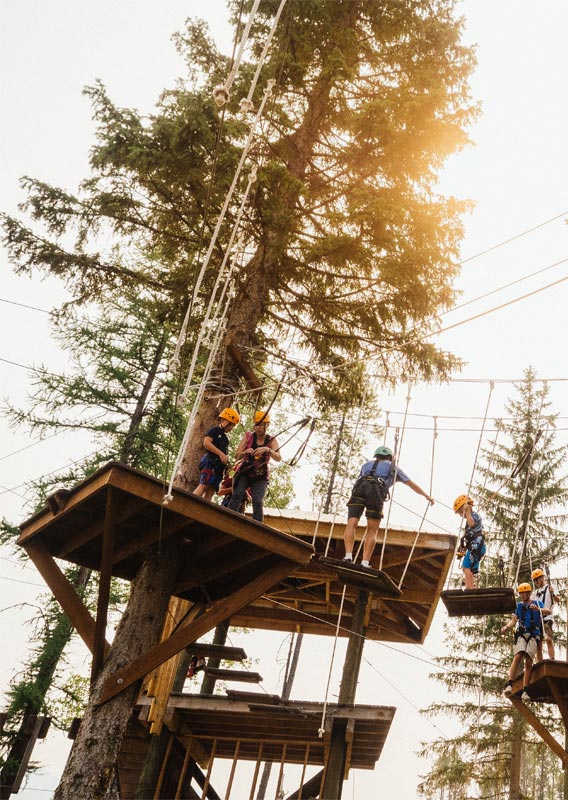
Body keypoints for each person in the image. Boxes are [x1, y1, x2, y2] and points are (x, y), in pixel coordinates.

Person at [342, 445, 434, 569]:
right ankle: (364, 562)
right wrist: (426, 496)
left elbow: (360, 478)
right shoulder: (392, 467)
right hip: (375, 490)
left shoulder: (366, 465)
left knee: (351, 523)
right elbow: (411, 484)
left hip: (359, 487)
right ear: (390, 458)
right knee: (372, 529)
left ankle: (348, 556)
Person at [227, 411, 281, 522]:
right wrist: (245, 452)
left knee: (258, 501)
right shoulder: (248, 437)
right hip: (245, 471)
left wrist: (268, 450)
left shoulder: (271, 440)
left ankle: (257, 526)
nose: (258, 427)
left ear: (267, 425)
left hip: (261, 474)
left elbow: (279, 458)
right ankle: (229, 519)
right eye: (256, 424)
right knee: (237, 494)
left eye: (261, 425)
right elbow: (236, 456)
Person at [501, 582, 550, 701]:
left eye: (524, 593)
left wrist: (538, 609)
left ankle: (525, 690)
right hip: (522, 634)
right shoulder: (518, 606)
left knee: (528, 661)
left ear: (529, 593)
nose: (522, 595)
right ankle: (509, 684)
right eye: (521, 593)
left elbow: (548, 611)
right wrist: (507, 627)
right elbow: (514, 620)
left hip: (534, 634)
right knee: (518, 656)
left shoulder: (537, 603)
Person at [194, 407, 240, 501]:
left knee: (211, 490)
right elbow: (206, 443)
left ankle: (202, 511)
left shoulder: (225, 439)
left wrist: (228, 466)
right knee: (204, 486)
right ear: (224, 420)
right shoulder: (215, 430)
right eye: (231, 425)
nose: (231, 428)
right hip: (210, 462)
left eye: (233, 426)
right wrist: (220, 454)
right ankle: (189, 503)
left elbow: (223, 455)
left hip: (219, 467)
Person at [453, 495, 486, 590]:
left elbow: (472, 524)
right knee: (470, 568)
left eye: (460, 512)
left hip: (476, 546)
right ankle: (471, 586)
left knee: (465, 566)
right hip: (476, 546)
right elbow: (469, 535)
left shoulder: (474, 516)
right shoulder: (470, 517)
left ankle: (470, 587)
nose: (461, 515)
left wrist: (467, 511)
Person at [532, 567, 556, 661]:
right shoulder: (535, 593)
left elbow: (557, 600)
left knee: (548, 639)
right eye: (535, 580)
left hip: (547, 616)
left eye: (538, 579)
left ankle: (552, 660)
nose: (537, 581)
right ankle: (540, 663)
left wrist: (553, 594)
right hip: (538, 619)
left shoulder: (550, 587)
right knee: (539, 643)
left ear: (543, 578)